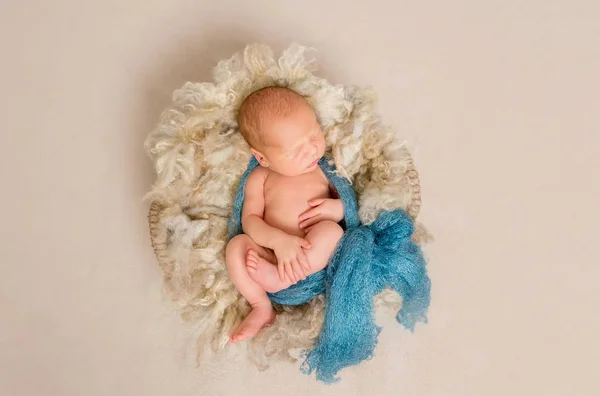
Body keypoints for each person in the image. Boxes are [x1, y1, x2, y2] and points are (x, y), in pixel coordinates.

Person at [226, 87, 345, 343]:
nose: (311, 150)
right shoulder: (260, 177)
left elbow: (351, 207)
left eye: (314, 134)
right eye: (294, 150)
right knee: (236, 246)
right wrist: (278, 241)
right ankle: (261, 306)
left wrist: (337, 209)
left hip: (312, 260)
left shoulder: (323, 171)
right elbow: (250, 221)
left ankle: (280, 279)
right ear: (262, 157)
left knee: (333, 233)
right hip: (269, 257)